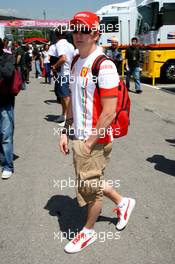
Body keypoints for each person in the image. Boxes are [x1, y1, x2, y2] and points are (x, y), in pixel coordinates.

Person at [59, 12, 136, 253]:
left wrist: (89, 143)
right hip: (80, 136)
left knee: (90, 190)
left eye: (84, 30)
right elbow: (71, 101)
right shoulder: (74, 60)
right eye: (75, 29)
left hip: (96, 140)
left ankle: (88, 231)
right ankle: (123, 202)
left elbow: (109, 112)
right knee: (93, 181)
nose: (78, 35)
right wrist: (64, 130)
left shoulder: (104, 65)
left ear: (95, 33)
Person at [52, 27, 75, 124]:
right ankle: (64, 115)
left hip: (63, 73)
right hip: (69, 72)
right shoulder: (70, 45)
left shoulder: (59, 44)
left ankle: (67, 118)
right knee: (64, 96)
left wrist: (54, 66)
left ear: (56, 35)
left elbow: (63, 58)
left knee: (65, 96)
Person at [0, 38, 15, 179]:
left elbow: (8, 74)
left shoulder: (8, 57)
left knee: (6, 135)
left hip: (5, 102)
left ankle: (7, 165)